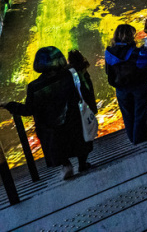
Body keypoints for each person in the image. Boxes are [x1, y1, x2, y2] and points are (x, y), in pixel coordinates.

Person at [1, 46, 96, 180]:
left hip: (51, 127)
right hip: (74, 121)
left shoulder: (34, 87)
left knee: (56, 144)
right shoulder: (71, 74)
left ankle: (66, 165)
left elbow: (29, 110)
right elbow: (85, 92)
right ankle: (82, 164)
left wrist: (10, 105)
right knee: (79, 140)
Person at [105, 25, 147, 144]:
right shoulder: (135, 52)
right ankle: (138, 141)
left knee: (127, 115)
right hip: (139, 87)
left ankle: (132, 139)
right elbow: (146, 62)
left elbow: (108, 72)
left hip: (121, 88)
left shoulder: (109, 52)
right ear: (129, 36)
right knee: (140, 114)